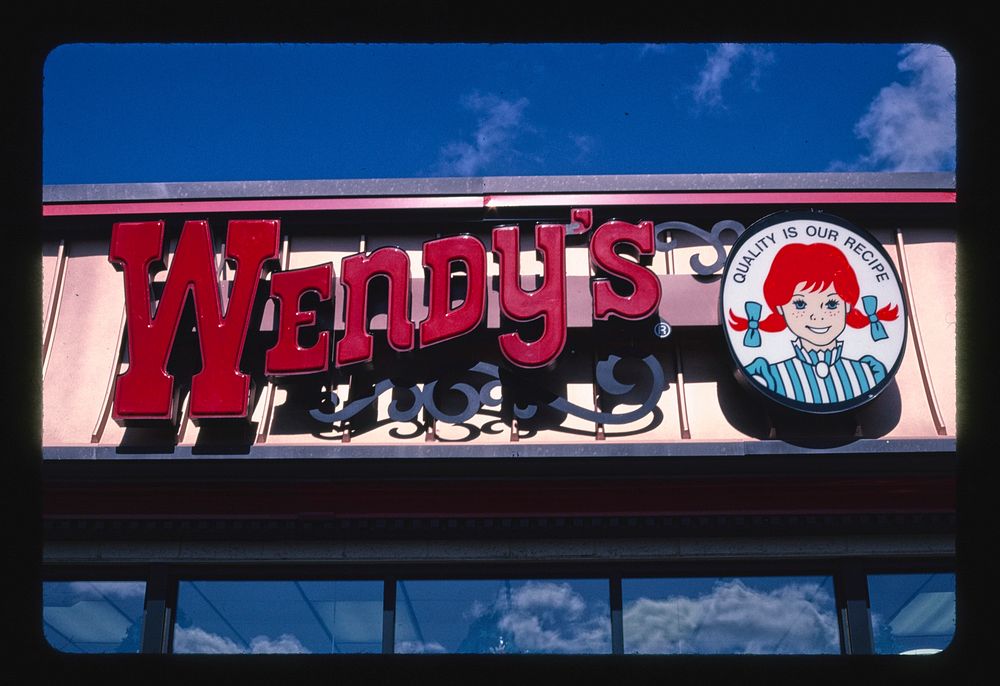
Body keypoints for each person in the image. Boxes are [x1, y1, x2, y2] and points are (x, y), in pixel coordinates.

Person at [728, 242, 899, 404]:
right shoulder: (769, 376)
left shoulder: (869, 373)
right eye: (800, 304)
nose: (817, 317)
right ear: (780, 307)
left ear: (848, 305)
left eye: (832, 304)